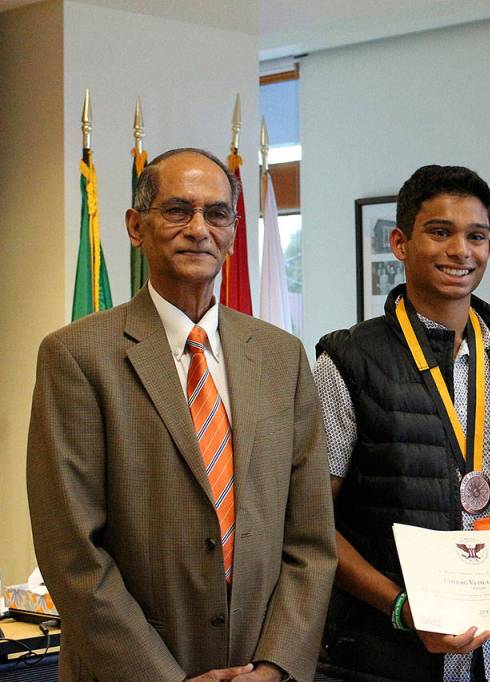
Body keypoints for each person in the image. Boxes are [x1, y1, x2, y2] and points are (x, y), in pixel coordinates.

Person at [26, 148, 336, 682]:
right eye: (177, 211)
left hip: (256, 669)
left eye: (216, 214)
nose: (199, 229)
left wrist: (275, 665)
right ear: (134, 226)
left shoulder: (282, 356)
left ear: (233, 235)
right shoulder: (76, 355)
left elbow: (309, 538)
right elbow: (72, 552)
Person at [314, 164, 490, 681]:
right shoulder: (348, 361)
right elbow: (313, 524)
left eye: (476, 236)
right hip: (390, 653)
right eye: (440, 232)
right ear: (399, 242)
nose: (461, 251)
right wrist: (402, 608)